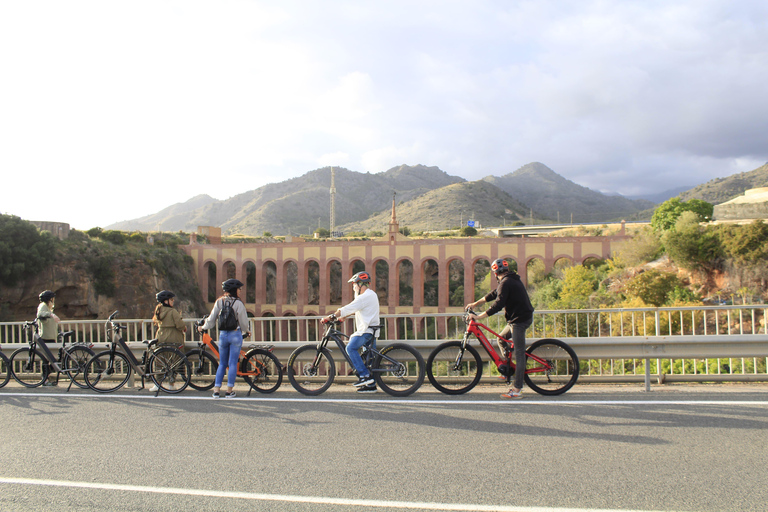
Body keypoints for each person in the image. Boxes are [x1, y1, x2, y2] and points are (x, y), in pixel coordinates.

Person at [465, 258, 534, 399]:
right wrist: (476, 303)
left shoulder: (506, 282)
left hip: (519, 321)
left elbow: (498, 304)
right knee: (501, 340)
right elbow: (494, 294)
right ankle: (507, 370)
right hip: (516, 318)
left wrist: (478, 317)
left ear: (495, 273)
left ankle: (517, 389)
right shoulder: (509, 280)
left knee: (520, 354)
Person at [321, 271, 380, 394]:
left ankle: (364, 376)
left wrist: (331, 316)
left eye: (354, 284)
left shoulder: (364, 297)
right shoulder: (371, 294)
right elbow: (358, 308)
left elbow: (348, 307)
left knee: (351, 348)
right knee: (369, 359)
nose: (353, 287)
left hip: (366, 331)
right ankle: (371, 385)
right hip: (371, 330)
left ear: (360, 284)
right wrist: (344, 317)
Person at [198, 279, 250, 398]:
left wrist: (203, 327)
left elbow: (211, 320)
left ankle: (216, 390)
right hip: (235, 334)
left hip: (223, 335)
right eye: (239, 289)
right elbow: (243, 322)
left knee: (222, 363)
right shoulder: (238, 303)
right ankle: (229, 391)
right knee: (232, 363)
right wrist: (247, 331)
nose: (240, 291)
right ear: (234, 290)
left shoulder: (219, 302)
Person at [151, 290, 187, 392]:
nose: (173, 301)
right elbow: (180, 325)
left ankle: (157, 384)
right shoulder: (172, 312)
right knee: (174, 361)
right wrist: (184, 328)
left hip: (161, 336)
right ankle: (171, 384)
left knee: (160, 360)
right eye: (171, 299)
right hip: (174, 337)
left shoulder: (158, 311)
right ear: (166, 301)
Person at [37, 290, 60, 386]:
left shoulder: (48, 308)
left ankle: (47, 377)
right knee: (49, 359)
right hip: (46, 338)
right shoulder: (43, 306)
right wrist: (51, 314)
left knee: (52, 359)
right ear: (49, 299)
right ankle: (45, 379)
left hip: (50, 337)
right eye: (52, 299)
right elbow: (40, 314)